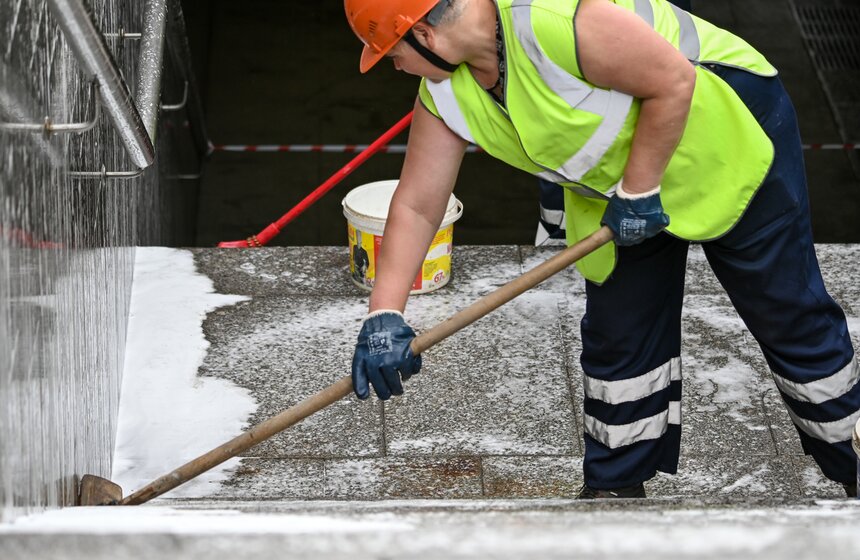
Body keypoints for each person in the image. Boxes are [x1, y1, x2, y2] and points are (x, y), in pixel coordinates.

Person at [344, 0, 860, 498]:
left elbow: (674, 82)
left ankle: (853, 458)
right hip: (620, 184)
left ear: (425, 34)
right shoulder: (445, 91)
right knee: (620, 332)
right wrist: (384, 314)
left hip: (723, 133)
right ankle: (614, 486)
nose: (396, 66)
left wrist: (638, 192)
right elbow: (416, 205)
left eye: (392, 53)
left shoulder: (551, 21)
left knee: (786, 313)